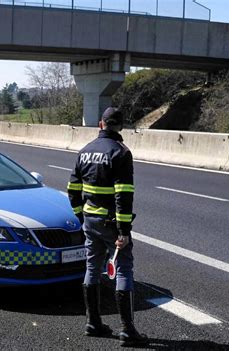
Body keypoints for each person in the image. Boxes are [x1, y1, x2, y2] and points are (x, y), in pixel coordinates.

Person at [67, 107, 148, 347]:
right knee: (123, 270)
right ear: (120, 126)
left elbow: (72, 190)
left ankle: (93, 323)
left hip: (90, 220)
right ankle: (128, 330)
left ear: (101, 124)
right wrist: (123, 231)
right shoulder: (121, 152)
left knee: (92, 267)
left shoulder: (84, 151)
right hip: (111, 223)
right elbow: (123, 195)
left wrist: (81, 217)